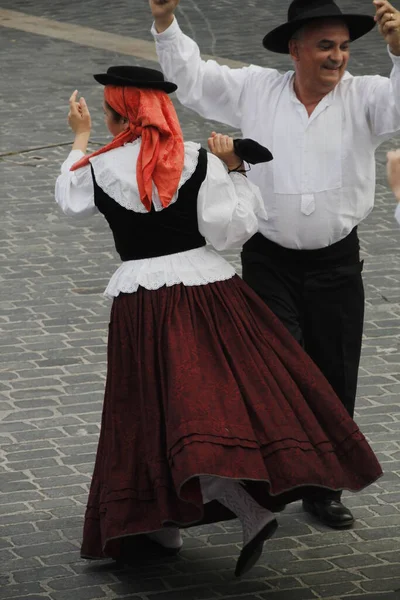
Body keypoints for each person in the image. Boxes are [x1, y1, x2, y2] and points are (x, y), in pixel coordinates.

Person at [55, 65, 382, 576]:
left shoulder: (98, 167)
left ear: (116, 114)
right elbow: (231, 233)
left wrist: (80, 140)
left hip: (142, 303)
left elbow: (69, 202)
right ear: (161, 112)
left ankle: (164, 524)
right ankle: (210, 513)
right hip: (210, 295)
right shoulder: (196, 161)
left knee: (149, 410)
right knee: (217, 405)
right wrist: (233, 171)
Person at [149, 0, 400, 528]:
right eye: (325, 46)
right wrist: (166, 20)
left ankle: (322, 487)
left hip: (337, 263)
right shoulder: (255, 89)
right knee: (275, 368)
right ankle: (273, 475)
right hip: (268, 260)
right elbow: (191, 78)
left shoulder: (368, 95)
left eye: (345, 46)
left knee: (333, 374)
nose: (338, 57)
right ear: (295, 50)